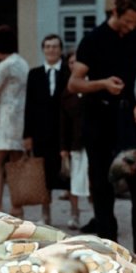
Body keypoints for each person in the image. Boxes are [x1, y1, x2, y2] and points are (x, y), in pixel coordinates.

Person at [68, 0, 136, 270]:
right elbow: (74, 83)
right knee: (102, 188)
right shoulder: (93, 39)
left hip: (126, 117)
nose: (131, 27)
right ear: (115, 11)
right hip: (97, 118)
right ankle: (109, 254)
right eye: (127, 21)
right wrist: (102, 84)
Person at [24, 34, 70, 224]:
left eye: (55, 46)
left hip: (64, 132)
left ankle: (74, 214)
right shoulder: (34, 74)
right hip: (41, 133)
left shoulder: (68, 72)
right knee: (44, 176)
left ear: (60, 50)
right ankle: (45, 214)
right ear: (43, 49)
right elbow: (29, 106)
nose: (51, 50)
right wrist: (27, 135)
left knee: (68, 174)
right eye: (48, 46)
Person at [0, 26, 28, 217]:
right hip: (21, 116)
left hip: (7, 117)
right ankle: (17, 206)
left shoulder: (5, 65)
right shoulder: (22, 62)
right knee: (15, 163)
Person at [59, 51, 87, 229]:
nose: (74, 65)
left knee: (93, 181)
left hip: (93, 141)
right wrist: (63, 147)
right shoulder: (67, 92)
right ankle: (74, 214)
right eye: (71, 62)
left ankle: (98, 215)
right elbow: (64, 122)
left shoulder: (92, 85)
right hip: (75, 142)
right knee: (75, 181)